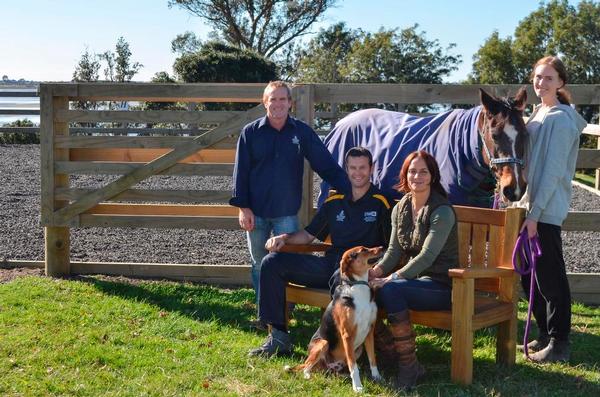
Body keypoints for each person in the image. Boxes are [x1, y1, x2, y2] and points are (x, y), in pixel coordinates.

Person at [248, 147, 391, 357]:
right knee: (272, 262)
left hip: (358, 274)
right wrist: (283, 239)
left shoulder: (382, 202)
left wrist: (376, 270)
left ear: (371, 169)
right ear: (346, 169)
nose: (357, 172)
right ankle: (278, 337)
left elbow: (389, 247)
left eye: (362, 167)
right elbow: (307, 235)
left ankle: (334, 344)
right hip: (329, 265)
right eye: (353, 167)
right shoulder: (334, 201)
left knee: (341, 277)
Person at [229, 81, 351, 313]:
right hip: (256, 212)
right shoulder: (250, 133)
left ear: (290, 103)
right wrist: (243, 208)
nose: (278, 104)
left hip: (286, 213)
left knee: (290, 262)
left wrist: (352, 189)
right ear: (265, 103)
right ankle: (264, 310)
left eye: (282, 99)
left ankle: (287, 307)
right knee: (259, 264)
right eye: (273, 99)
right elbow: (240, 172)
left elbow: (325, 165)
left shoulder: (301, 132)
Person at [368, 150, 458, 390]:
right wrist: (374, 272)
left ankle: (409, 367)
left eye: (423, 172)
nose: (417, 176)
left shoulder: (442, 211)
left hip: (442, 285)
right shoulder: (401, 208)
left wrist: (392, 278)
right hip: (411, 282)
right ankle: (388, 352)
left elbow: (427, 257)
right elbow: (393, 252)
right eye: (412, 171)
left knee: (391, 291)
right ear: (405, 175)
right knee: (364, 288)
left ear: (432, 177)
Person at [517, 56, 587, 363]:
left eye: (548, 78)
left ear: (561, 83)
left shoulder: (561, 119)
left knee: (550, 276)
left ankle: (560, 343)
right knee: (527, 276)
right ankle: (544, 334)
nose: (540, 82)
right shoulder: (538, 113)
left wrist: (535, 214)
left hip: (543, 210)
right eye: (537, 77)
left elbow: (554, 171)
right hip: (526, 207)